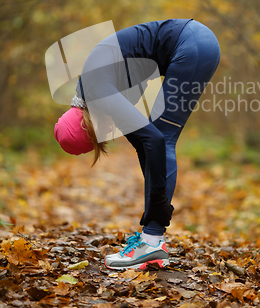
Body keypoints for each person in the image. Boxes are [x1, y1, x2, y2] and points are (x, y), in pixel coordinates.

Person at [54, 18, 221, 270]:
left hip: (192, 44)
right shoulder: (92, 91)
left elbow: (153, 139)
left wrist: (157, 205)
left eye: (97, 137)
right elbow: (142, 143)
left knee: (163, 136)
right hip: (196, 42)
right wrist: (156, 199)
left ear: (86, 124)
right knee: (158, 137)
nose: (107, 134)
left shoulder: (96, 88)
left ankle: (152, 241)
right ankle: (151, 241)